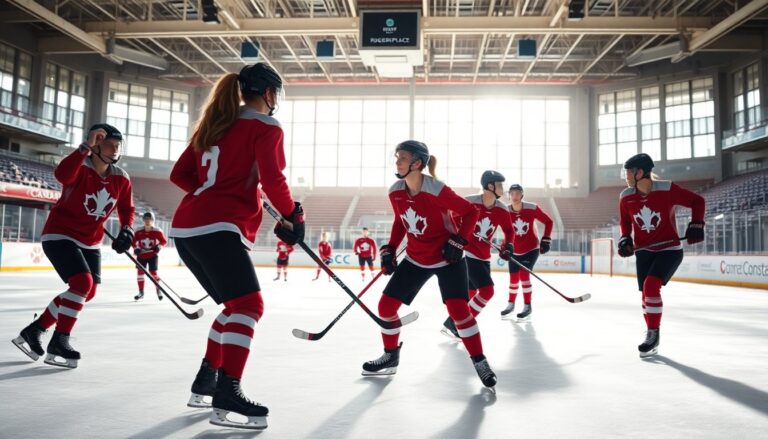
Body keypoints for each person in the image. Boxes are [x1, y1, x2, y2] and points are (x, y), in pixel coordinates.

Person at [169, 63, 304, 430]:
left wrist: (215, 191)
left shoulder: (216, 123)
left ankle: (206, 380)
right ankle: (228, 392)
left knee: (234, 307)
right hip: (219, 227)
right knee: (249, 305)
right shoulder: (266, 126)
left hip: (186, 228)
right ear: (269, 93)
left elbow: (180, 175)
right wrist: (294, 215)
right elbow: (274, 179)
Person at [360, 140, 497, 391]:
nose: (397, 162)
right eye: (397, 157)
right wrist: (390, 248)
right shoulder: (395, 191)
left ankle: (480, 360)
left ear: (417, 163)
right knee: (386, 306)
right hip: (415, 258)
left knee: (459, 311)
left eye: (402, 157)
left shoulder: (437, 190)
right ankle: (391, 356)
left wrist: (459, 241)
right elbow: (402, 222)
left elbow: (470, 213)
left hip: (448, 260)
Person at [11, 124, 135, 369]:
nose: (115, 149)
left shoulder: (121, 177)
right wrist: (85, 147)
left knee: (88, 291)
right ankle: (60, 341)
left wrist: (127, 229)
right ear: (97, 144)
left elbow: (127, 209)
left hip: (90, 241)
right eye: (109, 144)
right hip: (60, 234)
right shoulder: (80, 168)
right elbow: (62, 176)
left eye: (118, 145)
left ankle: (34, 331)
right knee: (81, 284)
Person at [618, 153, 705, 358]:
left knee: (650, 286)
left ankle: (653, 335)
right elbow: (625, 222)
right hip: (644, 251)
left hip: (669, 250)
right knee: (645, 295)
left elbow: (697, 201)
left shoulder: (666, 189)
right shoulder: (626, 196)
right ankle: (652, 333)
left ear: (640, 172)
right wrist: (625, 239)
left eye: (629, 171)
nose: (626, 176)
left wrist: (697, 223)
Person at [441, 170, 515, 339]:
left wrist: (508, 245)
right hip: (467, 254)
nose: (503, 188)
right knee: (487, 291)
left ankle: (453, 321)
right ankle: (458, 324)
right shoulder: (470, 202)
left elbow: (509, 231)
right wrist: (459, 235)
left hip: (483, 256)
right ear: (490, 186)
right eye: (500, 184)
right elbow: (451, 217)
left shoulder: (502, 209)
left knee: (471, 292)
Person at [500, 184, 553, 321]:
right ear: (509, 195)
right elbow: (505, 231)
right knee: (513, 280)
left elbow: (549, 221)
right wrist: (503, 246)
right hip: (514, 249)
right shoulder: (505, 210)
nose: (514, 196)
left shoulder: (532, 208)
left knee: (524, 276)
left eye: (517, 193)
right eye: (512, 193)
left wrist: (546, 239)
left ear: (522, 195)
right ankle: (510, 304)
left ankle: (527, 306)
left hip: (531, 249)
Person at [132, 211, 168, 301]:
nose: (147, 221)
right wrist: (135, 248)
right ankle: (141, 292)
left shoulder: (157, 231)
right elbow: (132, 241)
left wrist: (159, 246)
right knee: (140, 274)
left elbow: (164, 241)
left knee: (154, 274)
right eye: (146, 219)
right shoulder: (138, 231)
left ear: (153, 220)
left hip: (153, 256)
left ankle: (158, 290)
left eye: (150, 219)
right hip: (141, 256)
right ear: (143, 220)